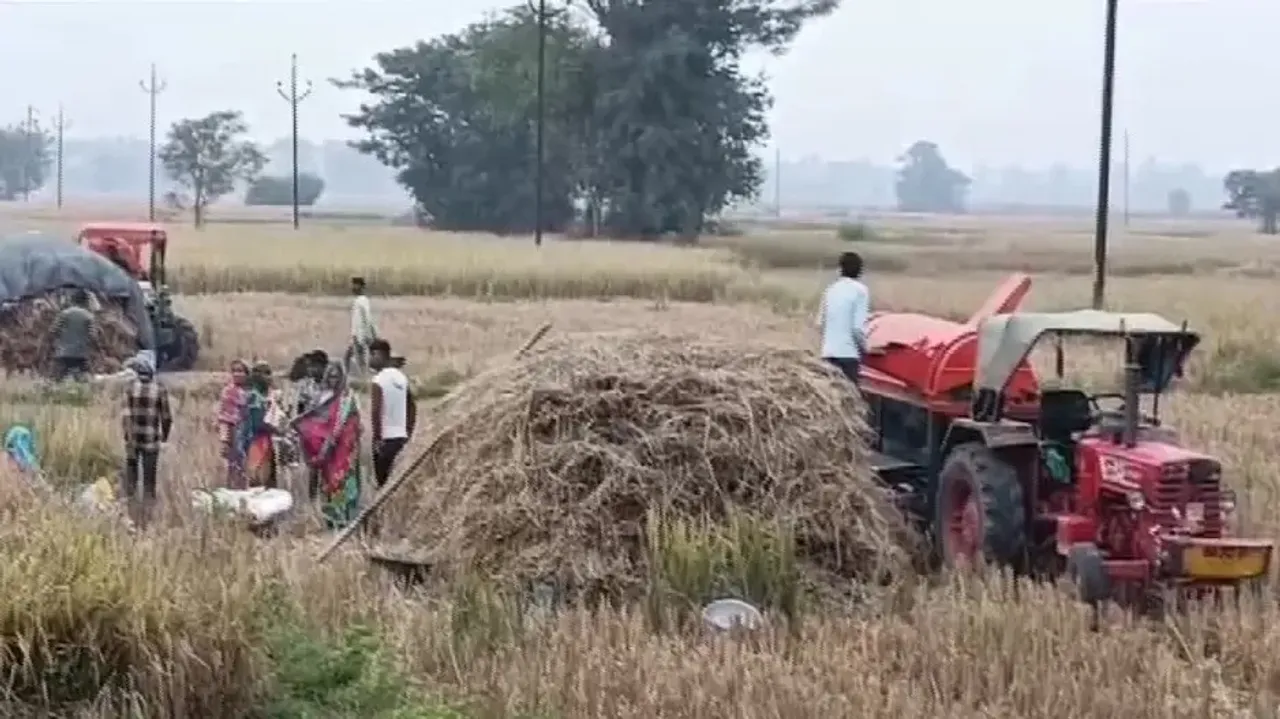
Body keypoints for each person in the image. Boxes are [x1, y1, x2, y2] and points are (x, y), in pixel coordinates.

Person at [292, 361, 362, 529]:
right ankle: (332, 518)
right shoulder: (322, 397)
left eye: (337, 377)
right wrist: (303, 428)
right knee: (329, 481)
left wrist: (345, 436)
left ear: (342, 378)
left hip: (345, 447)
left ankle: (346, 517)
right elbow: (314, 419)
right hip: (327, 449)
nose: (333, 380)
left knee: (344, 480)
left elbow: (355, 423)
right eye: (330, 376)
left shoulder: (348, 397)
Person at [121, 355, 171, 529]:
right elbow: (166, 416)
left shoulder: (130, 388)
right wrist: (165, 436)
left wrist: (128, 437)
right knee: (149, 479)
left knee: (131, 478)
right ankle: (148, 516)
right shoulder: (160, 389)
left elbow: (126, 416)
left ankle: (131, 512)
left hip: (132, 441)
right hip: (151, 441)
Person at [817, 251, 870, 386]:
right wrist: (866, 348)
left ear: (840, 269)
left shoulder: (830, 290)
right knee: (850, 395)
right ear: (860, 271)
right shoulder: (861, 291)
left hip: (828, 354)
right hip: (848, 355)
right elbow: (857, 329)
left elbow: (820, 324)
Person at [369, 339, 416, 490]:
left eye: (372, 355)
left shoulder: (378, 380)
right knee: (398, 485)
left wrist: (377, 438)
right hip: (401, 439)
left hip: (385, 440)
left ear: (381, 355)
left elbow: (376, 411)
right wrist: (408, 432)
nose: (370, 359)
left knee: (384, 486)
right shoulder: (402, 377)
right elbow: (412, 407)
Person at [242, 361, 286, 489]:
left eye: (269, 373)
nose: (268, 377)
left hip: (267, 440)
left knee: (268, 478)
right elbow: (258, 422)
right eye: (264, 373)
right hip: (256, 440)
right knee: (257, 478)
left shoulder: (269, 395)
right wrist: (277, 430)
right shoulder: (253, 396)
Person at [216, 359, 250, 489]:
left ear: (247, 373)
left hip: (251, 433)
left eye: (240, 371)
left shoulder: (252, 391)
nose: (236, 374)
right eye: (234, 371)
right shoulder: (228, 392)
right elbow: (223, 418)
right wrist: (224, 440)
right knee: (236, 466)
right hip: (235, 432)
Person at [50, 289, 95, 382]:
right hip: (81, 353)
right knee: (82, 380)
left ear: (72, 300)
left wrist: (58, 341)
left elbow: (53, 330)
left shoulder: (64, 314)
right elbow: (93, 335)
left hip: (63, 352)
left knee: (57, 380)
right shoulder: (88, 316)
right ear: (85, 301)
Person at [346, 276, 378, 376]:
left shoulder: (362, 300)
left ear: (360, 287)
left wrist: (368, 335)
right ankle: (363, 376)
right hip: (357, 335)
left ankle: (364, 377)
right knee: (352, 358)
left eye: (355, 285)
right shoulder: (358, 300)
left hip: (360, 336)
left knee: (359, 360)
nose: (352, 288)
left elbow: (367, 318)